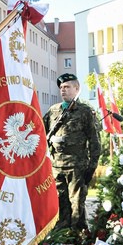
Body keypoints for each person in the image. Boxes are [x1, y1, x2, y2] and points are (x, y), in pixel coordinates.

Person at [43, 73, 101, 232]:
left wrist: (92, 166)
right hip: (57, 166)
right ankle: (61, 236)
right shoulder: (53, 111)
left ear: (76, 89)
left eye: (67, 87)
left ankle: (79, 238)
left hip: (77, 166)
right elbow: (40, 133)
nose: (63, 90)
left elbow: (94, 140)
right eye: (61, 87)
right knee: (59, 202)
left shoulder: (85, 111)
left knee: (77, 205)